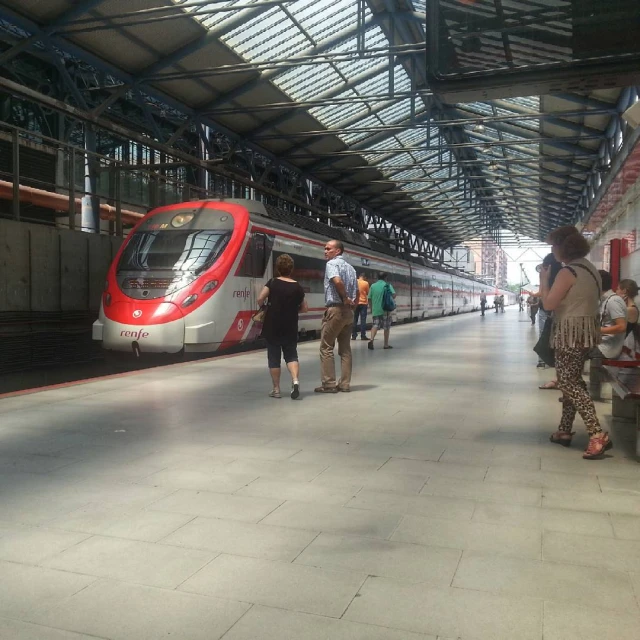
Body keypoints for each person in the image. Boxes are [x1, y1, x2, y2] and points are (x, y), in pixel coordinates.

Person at [540, 225, 611, 459]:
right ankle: (564, 430)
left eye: (554, 245)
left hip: (570, 333)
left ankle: (596, 433)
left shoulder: (567, 272)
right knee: (572, 378)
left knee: (568, 382)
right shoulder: (591, 269)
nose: (552, 249)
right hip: (585, 333)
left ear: (563, 246)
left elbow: (549, 304)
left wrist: (544, 280)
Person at [257, 254, 308, 399]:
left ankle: (276, 389)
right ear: (291, 269)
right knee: (291, 355)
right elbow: (305, 308)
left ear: (277, 269)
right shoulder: (297, 287)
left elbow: (260, 298)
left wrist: (266, 307)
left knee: (274, 358)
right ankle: (295, 381)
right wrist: (293, 309)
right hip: (290, 325)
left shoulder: (272, 283)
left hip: (273, 325)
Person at [315, 239, 358, 393]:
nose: (325, 251)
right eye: (325, 248)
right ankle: (345, 384)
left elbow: (337, 281)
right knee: (345, 349)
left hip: (335, 309)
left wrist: (344, 297)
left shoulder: (331, 264)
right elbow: (357, 291)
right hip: (348, 313)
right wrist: (352, 303)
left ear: (338, 251)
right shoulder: (351, 268)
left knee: (326, 347)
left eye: (328, 249)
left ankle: (329, 384)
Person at [593, 270, 627, 360]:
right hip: (603, 343)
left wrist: (596, 330)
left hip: (607, 348)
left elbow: (622, 327)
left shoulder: (613, 301)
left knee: (574, 350)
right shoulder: (605, 300)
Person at [537, 253, 562, 370]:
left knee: (544, 334)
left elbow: (546, 302)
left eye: (546, 267)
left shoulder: (560, 279)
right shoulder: (564, 276)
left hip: (549, 310)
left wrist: (544, 280)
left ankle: (542, 360)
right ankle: (553, 360)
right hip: (556, 311)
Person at [367, 272, 396, 350]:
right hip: (385, 310)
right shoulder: (387, 285)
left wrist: (371, 308)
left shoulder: (373, 286)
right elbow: (394, 295)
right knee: (386, 327)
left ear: (377, 277)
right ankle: (386, 345)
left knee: (375, 325)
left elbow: (369, 298)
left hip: (376, 309)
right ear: (385, 278)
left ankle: (371, 340)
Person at [352, 273, 370, 341]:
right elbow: (368, 292)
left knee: (354, 320)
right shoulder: (366, 283)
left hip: (355, 303)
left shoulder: (355, 282)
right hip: (363, 303)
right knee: (363, 320)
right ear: (364, 277)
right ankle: (363, 335)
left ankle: (354, 335)